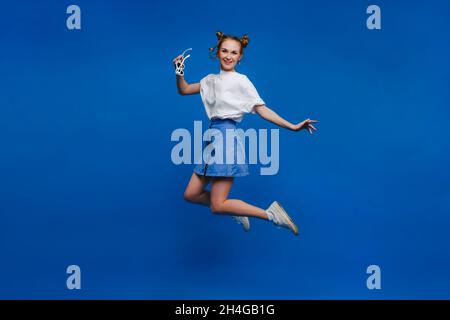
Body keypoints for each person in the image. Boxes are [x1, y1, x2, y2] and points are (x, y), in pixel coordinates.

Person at [172, 31, 318, 235]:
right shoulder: (209, 81)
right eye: (224, 51)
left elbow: (261, 109)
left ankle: (271, 214)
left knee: (217, 205)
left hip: (226, 138)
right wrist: (179, 71)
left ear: (240, 57)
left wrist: (292, 126)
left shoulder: (241, 81)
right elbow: (185, 89)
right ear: (217, 53)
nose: (228, 56)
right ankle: (234, 209)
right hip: (212, 139)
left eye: (234, 52)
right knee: (191, 194)